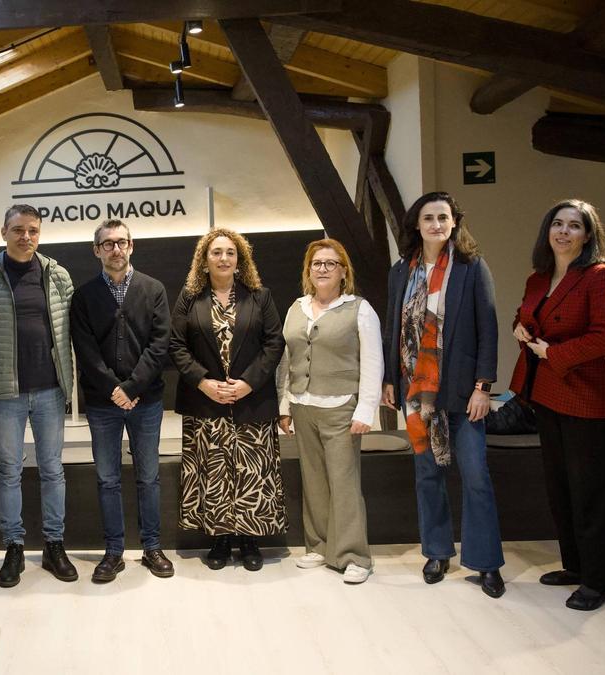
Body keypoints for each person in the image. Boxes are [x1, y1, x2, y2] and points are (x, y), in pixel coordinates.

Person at [381, 191, 505, 598]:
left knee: (476, 477)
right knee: (428, 477)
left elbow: (488, 328)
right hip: (418, 395)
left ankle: (485, 562)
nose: (436, 224)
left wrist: (483, 387)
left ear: (454, 223)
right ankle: (436, 552)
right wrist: (390, 382)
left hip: (463, 393)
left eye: (443, 217)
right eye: (428, 218)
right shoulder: (401, 271)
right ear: (416, 225)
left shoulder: (471, 267)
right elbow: (393, 332)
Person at [509, 199, 605, 611]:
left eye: (574, 226)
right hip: (549, 395)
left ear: (588, 235)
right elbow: (525, 315)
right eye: (557, 224)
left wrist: (549, 353)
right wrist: (519, 328)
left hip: (592, 399)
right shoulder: (539, 278)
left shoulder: (600, 276)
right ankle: (576, 567)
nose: (563, 232)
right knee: (560, 489)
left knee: (591, 492)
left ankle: (598, 583)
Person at [0, 204, 76, 587]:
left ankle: (54, 545)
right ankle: (13, 547)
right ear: (3, 232)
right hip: (5, 394)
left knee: (52, 469)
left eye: (33, 230)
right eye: (18, 230)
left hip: (50, 390)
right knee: (8, 470)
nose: (26, 236)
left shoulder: (56, 275)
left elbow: (70, 329)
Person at [169, 228, 286, 571]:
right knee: (214, 471)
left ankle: (249, 540)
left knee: (251, 472)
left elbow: (274, 344)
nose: (223, 258)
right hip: (206, 402)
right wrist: (202, 382)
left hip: (251, 400)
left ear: (240, 260)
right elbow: (176, 345)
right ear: (204, 261)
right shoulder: (189, 297)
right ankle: (219, 538)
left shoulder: (260, 296)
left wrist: (249, 383)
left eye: (230, 253)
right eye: (216, 252)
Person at [70, 219, 174, 583]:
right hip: (102, 404)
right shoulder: (83, 296)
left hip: (145, 400)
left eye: (121, 242)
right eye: (107, 243)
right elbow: (84, 350)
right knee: (107, 478)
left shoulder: (154, 289)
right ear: (96, 250)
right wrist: (114, 389)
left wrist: (132, 387)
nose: (116, 249)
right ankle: (113, 551)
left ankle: (152, 547)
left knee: (148, 477)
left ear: (132, 246)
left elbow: (160, 344)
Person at [278, 239, 382, 584]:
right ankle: (320, 545)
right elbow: (287, 360)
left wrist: (366, 408)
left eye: (330, 263)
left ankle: (354, 555)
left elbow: (372, 361)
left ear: (343, 272)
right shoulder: (297, 308)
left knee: (344, 482)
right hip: (303, 406)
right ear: (308, 270)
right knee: (315, 481)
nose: (322, 268)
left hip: (341, 407)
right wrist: (284, 405)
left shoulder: (360, 309)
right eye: (316, 263)